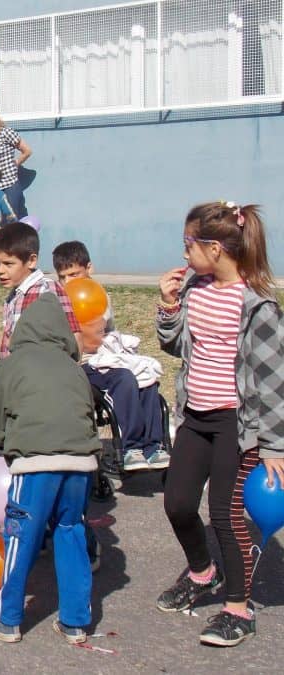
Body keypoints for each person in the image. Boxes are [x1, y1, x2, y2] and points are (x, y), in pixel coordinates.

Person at [155, 201, 284, 647]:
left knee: (226, 516)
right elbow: (174, 346)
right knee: (177, 504)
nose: (183, 252)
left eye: (188, 244)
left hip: (236, 424)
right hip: (196, 416)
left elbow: (273, 384)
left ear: (214, 248)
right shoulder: (195, 287)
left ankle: (238, 610)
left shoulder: (259, 306)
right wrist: (169, 306)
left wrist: (274, 447)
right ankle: (202, 573)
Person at [0, 293, 99, 644]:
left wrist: (1, 445)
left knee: (21, 534)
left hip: (35, 461)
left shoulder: (14, 364)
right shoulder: (74, 368)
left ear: (23, 328)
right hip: (80, 463)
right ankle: (75, 621)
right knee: (70, 529)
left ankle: (7, 617)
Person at [53, 241, 167, 471]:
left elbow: (108, 333)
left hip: (106, 359)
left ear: (89, 268)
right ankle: (131, 448)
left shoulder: (98, 295)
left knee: (146, 377)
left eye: (74, 274)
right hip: (81, 365)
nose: (68, 282)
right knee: (123, 378)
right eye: (62, 277)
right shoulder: (59, 301)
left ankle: (155, 446)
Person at [0, 223, 81, 360]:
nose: (0, 271)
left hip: (41, 375)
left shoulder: (47, 290)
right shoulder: (13, 296)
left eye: (8, 264)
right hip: (16, 374)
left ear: (31, 261)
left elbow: (74, 335)